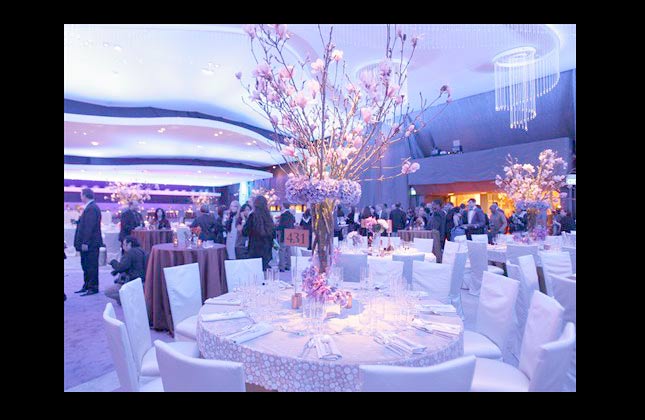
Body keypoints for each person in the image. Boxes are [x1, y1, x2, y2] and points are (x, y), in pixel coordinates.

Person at [73, 188, 103, 296]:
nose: (81, 197)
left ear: (85, 195)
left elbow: (89, 227)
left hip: (90, 244)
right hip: (88, 243)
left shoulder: (92, 208)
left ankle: (92, 287)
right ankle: (86, 285)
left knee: (91, 265)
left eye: (81, 195)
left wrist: (85, 242)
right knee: (85, 265)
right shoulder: (90, 207)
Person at [104, 236, 147, 306]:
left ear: (129, 244)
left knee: (108, 291)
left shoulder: (130, 253)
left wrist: (112, 261)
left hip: (133, 283)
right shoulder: (142, 251)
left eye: (123, 244)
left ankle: (128, 299)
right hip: (143, 282)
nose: (122, 246)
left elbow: (121, 267)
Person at [242, 195, 275, 271]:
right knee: (263, 271)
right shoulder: (269, 217)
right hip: (267, 249)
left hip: (254, 249)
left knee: (254, 272)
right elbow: (273, 234)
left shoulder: (252, 216)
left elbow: (245, 232)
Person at [277, 203, 296, 272]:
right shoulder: (291, 215)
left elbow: (281, 226)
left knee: (282, 251)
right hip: (290, 234)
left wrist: (275, 228)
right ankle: (288, 265)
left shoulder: (283, 215)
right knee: (288, 250)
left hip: (284, 234)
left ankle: (281, 267)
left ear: (283, 206)